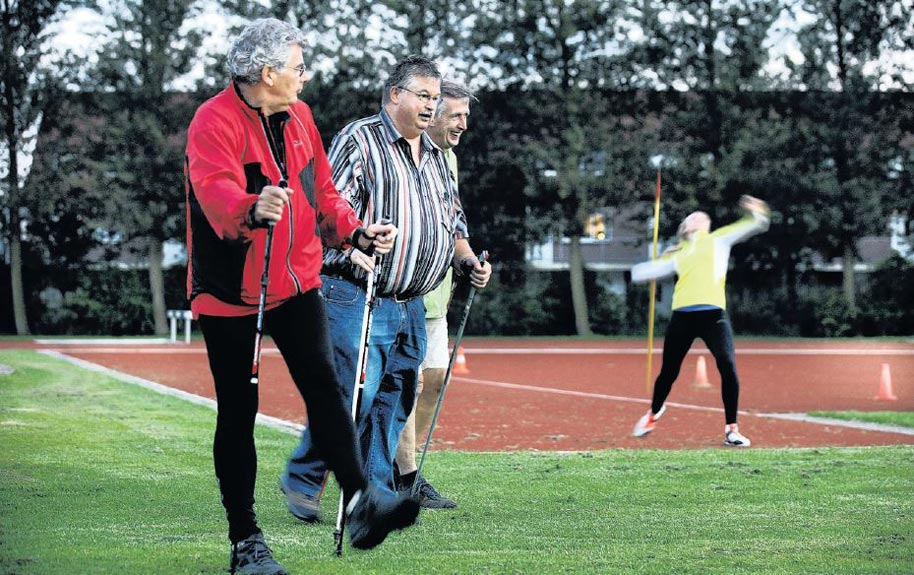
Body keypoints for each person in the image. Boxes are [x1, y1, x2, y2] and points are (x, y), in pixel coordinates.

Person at [184, 18, 418, 574]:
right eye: (298, 67)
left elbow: (323, 193)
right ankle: (246, 542)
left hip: (295, 281)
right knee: (239, 411)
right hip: (229, 291)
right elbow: (215, 192)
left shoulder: (301, 118)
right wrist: (250, 207)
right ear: (267, 73)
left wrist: (355, 231)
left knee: (325, 387)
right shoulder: (211, 121)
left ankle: (363, 502)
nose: (305, 77)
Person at [281, 57, 491, 523]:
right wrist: (358, 238)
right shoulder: (362, 139)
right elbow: (327, 205)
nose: (431, 106)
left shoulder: (437, 157)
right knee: (351, 396)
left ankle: (373, 494)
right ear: (395, 94)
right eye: (423, 96)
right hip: (359, 292)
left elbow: (452, 222)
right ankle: (304, 480)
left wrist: (467, 261)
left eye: (436, 99)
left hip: (410, 301)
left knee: (393, 400)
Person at [393, 80, 485, 509]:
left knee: (433, 382)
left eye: (466, 115)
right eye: (456, 115)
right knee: (405, 386)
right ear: (428, 113)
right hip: (402, 292)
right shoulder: (401, 154)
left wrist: (468, 261)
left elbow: (455, 221)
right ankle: (405, 476)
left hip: (437, 294)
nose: (463, 124)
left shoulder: (449, 159)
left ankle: (401, 468)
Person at [630, 195, 770, 447]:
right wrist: (658, 259)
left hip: (713, 316)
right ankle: (654, 412)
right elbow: (642, 273)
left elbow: (755, 224)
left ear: (706, 224)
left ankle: (732, 429)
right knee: (668, 372)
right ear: (684, 227)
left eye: (698, 216)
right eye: (689, 217)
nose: (694, 218)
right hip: (682, 317)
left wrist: (757, 211)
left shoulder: (718, 240)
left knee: (727, 364)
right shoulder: (677, 252)